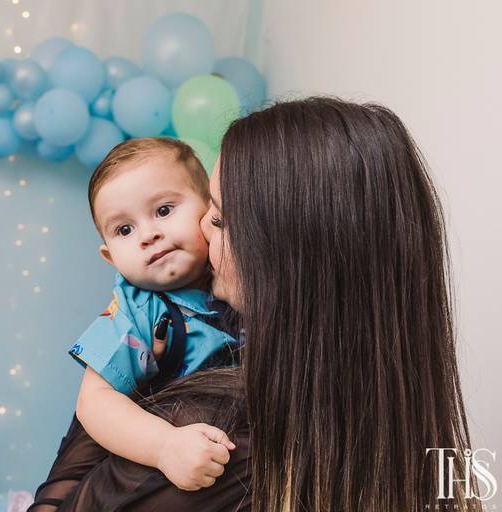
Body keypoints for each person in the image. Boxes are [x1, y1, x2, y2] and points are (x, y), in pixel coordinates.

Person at [30, 97, 479, 511]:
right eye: (123, 229)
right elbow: (96, 410)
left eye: (219, 217)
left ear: (289, 258)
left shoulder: (232, 434)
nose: (201, 229)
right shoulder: (148, 318)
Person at [67, 138, 244, 491]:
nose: (148, 235)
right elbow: (95, 403)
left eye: (164, 210)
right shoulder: (137, 309)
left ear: (211, 211)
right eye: (124, 230)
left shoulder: (238, 271)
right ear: (110, 257)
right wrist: (164, 446)